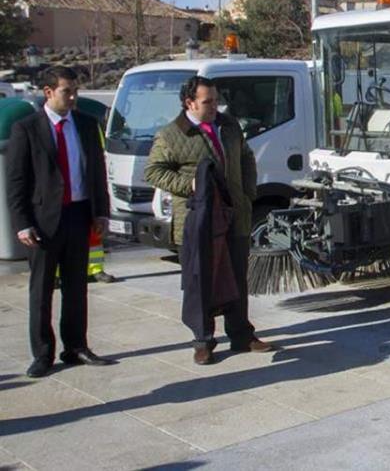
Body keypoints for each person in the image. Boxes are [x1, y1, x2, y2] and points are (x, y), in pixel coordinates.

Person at [144, 76, 276, 365]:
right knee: (202, 280)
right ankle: (203, 341)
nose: (215, 106)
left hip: (235, 215)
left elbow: (246, 157)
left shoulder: (228, 126)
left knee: (238, 277)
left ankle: (241, 335)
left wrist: (248, 192)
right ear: (189, 103)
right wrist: (190, 185)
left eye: (216, 100)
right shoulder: (171, 134)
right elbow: (153, 171)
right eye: (208, 102)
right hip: (199, 221)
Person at [7, 66, 115, 378]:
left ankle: (76, 346)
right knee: (41, 291)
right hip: (43, 222)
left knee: (76, 286)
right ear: (48, 92)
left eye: (75, 91)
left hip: (79, 215)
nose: (72, 97)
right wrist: (22, 223)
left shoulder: (84, 125)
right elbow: (16, 182)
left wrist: (101, 212)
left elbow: (96, 172)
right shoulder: (27, 129)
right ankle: (42, 353)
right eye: (67, 91)